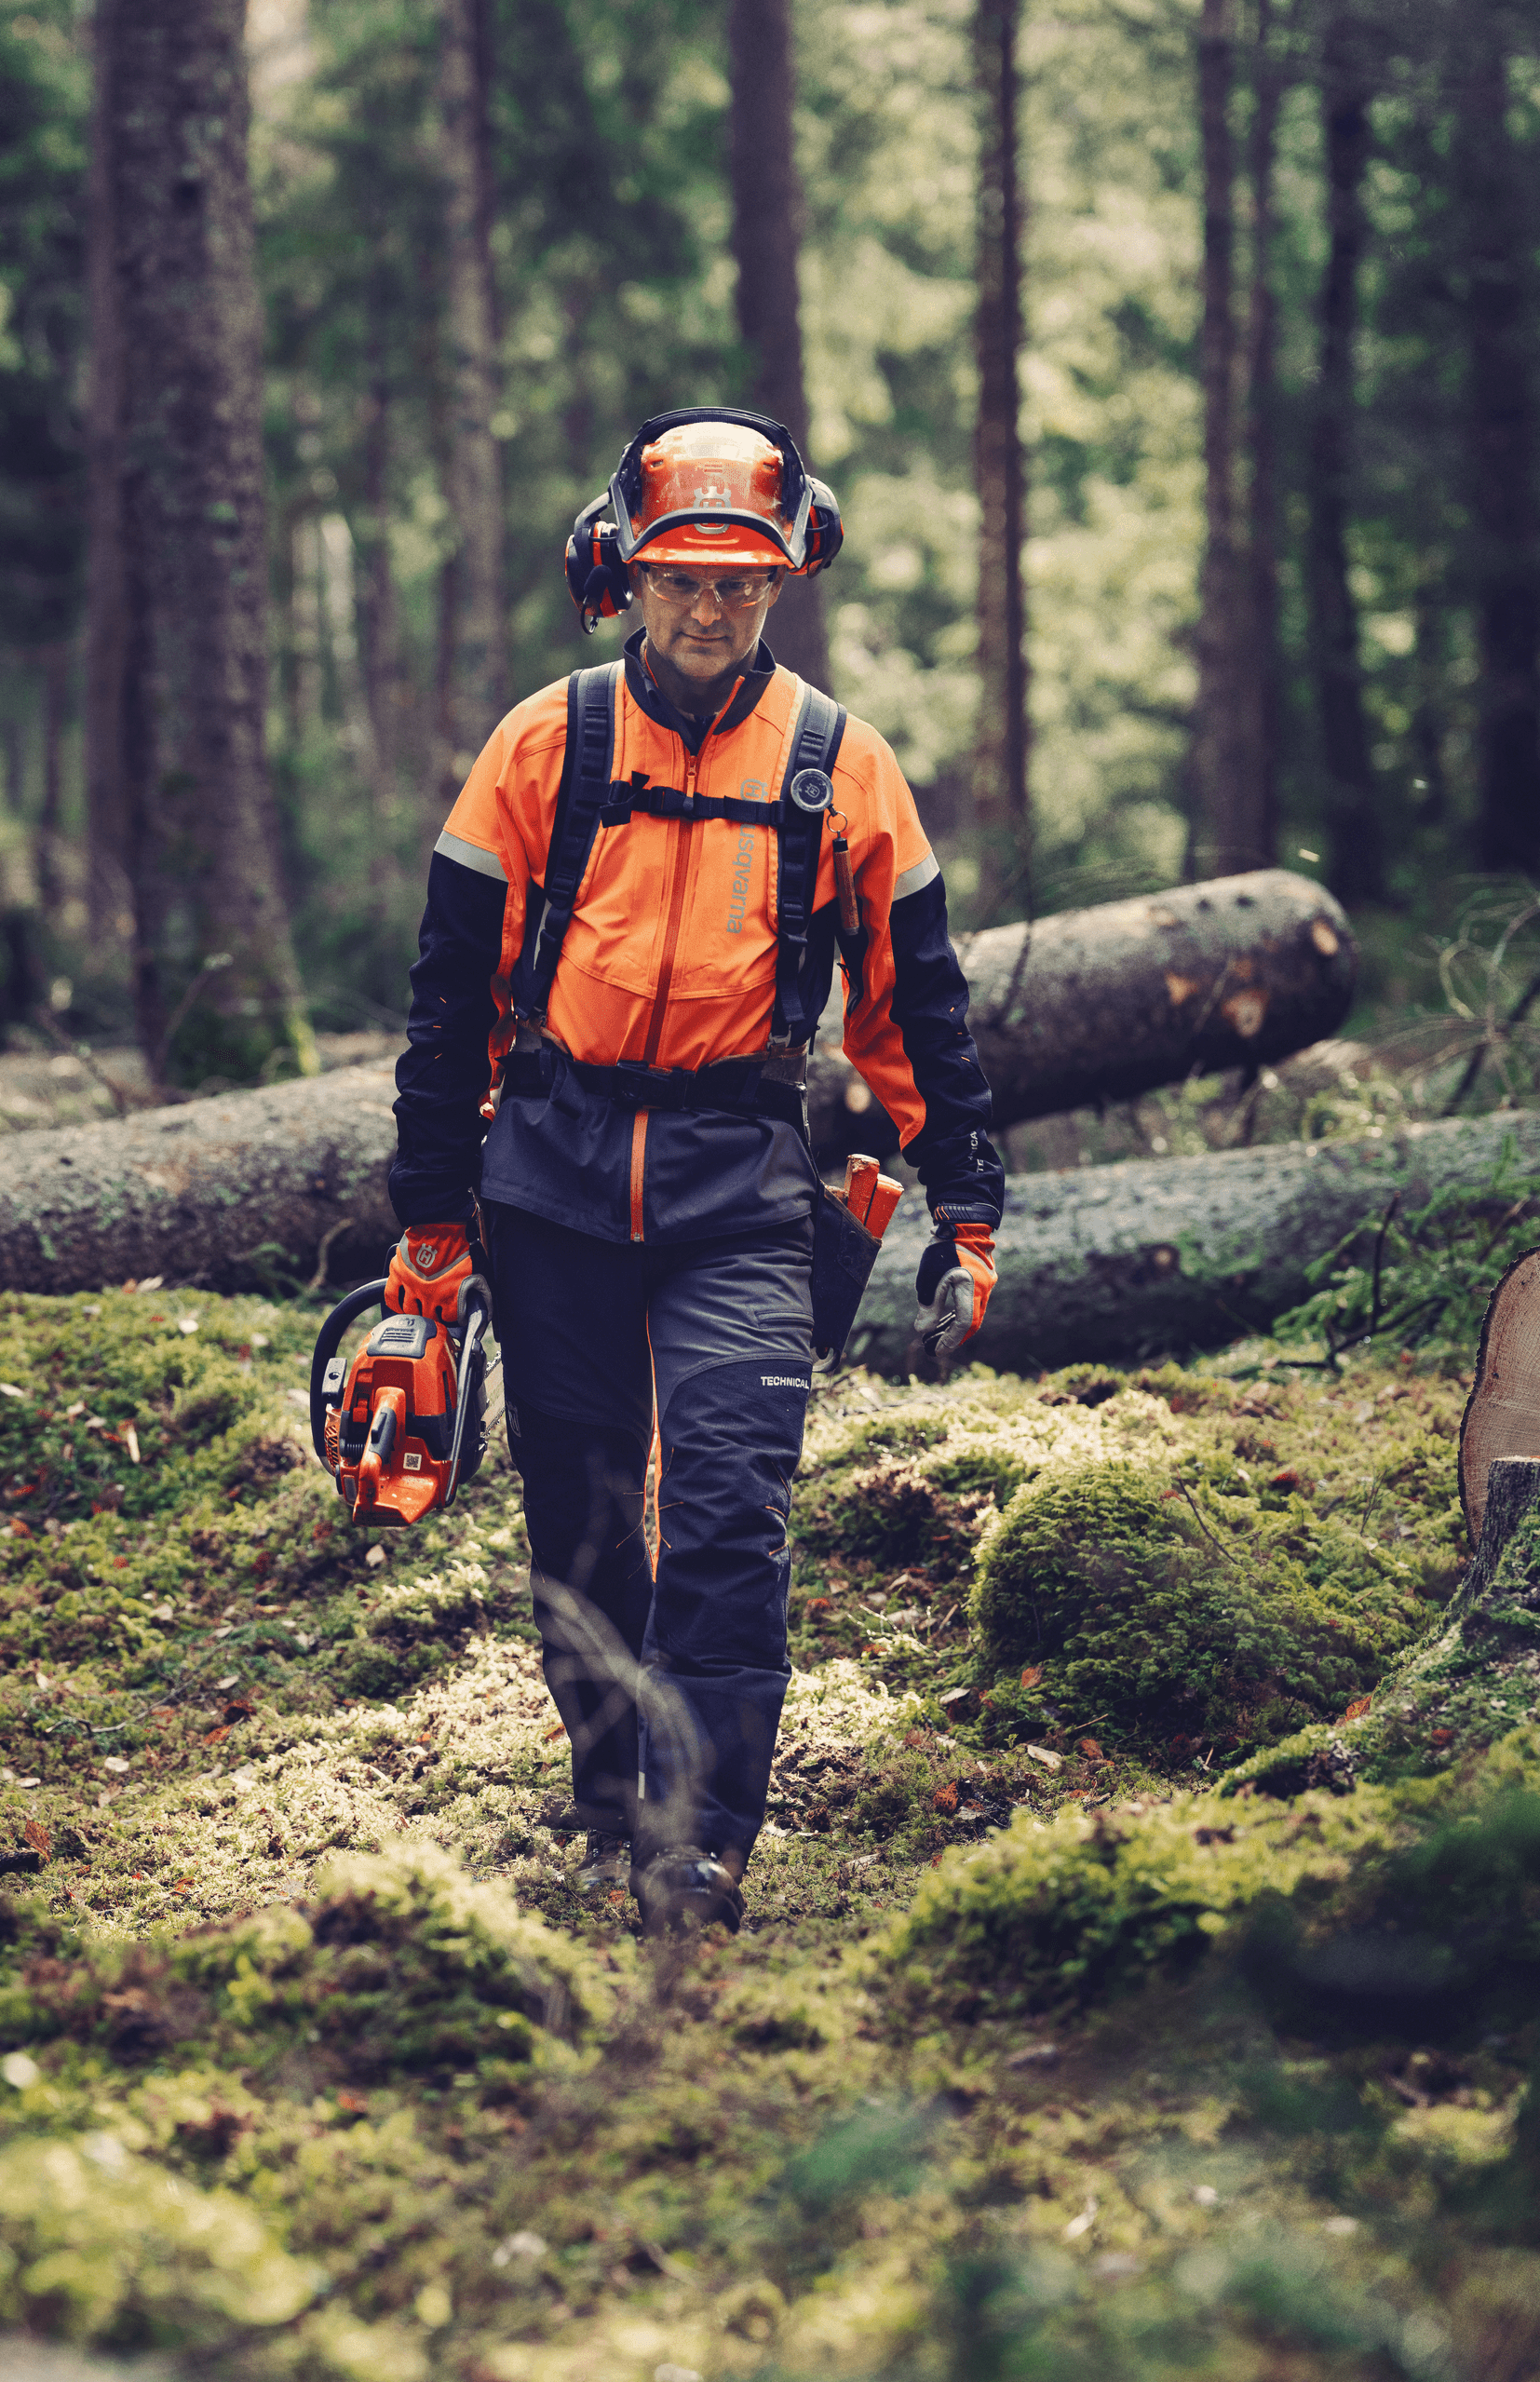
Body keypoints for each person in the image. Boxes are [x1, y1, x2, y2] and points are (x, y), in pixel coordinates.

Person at [381, 407, 1006, 1936]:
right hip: (553, 1167)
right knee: (584, 1511)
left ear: (785, 577)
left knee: (731, 1503)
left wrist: (967, 1202)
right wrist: (431, 1215)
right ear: (626, 573)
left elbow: (916, 1003)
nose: (710, 609)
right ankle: (615, 1803)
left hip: (742, 1180)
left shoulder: (843, 767)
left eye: (739, 582)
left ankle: (702, 1840)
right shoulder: (545, 744)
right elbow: (452, 994)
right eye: (681, 580)